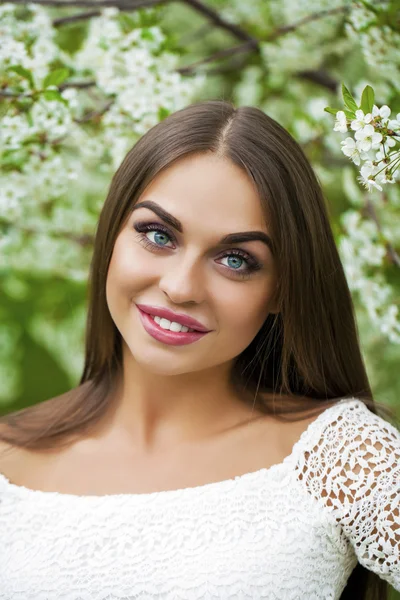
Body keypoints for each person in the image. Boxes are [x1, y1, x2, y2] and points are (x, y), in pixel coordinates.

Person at [0, 100, 399, 600]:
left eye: (236, 259)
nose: (180, 286)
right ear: (112, 235)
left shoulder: (345, 458)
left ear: (281, 289)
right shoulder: (6, 464)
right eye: (158, 235)